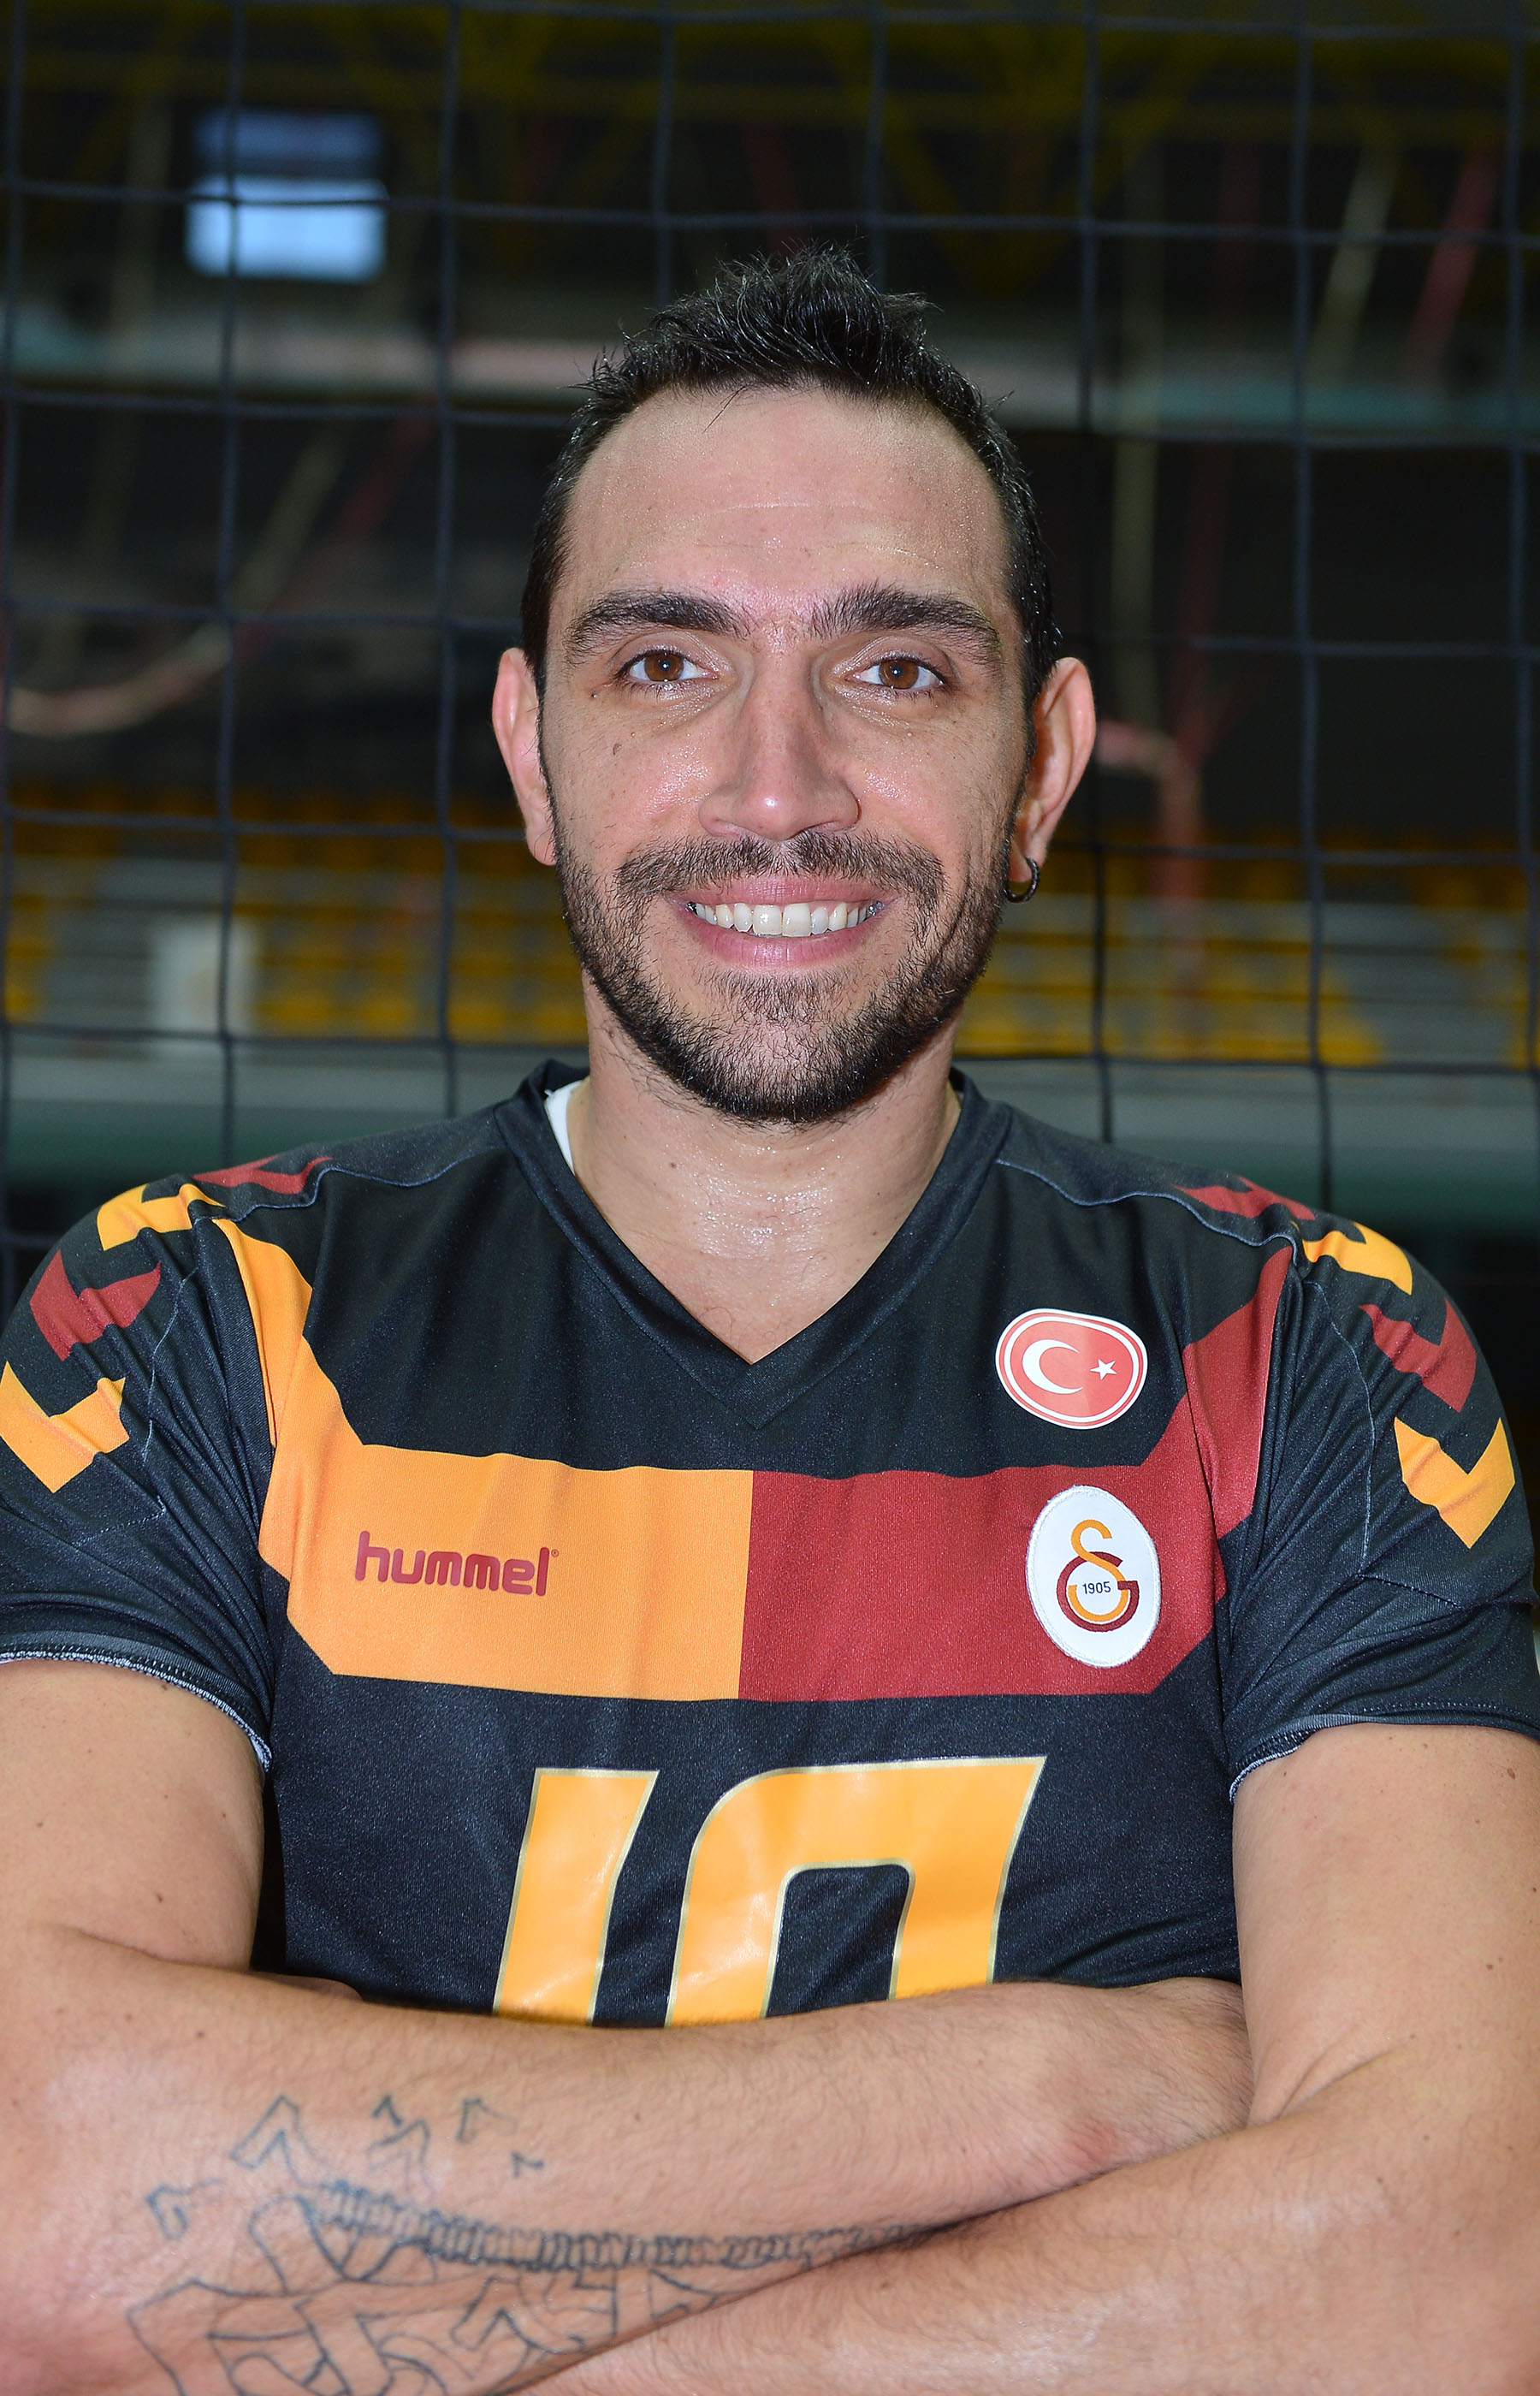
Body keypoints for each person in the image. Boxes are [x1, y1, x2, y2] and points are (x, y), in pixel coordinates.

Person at [1, 248, 1537, 2396]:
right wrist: (1043, 2091)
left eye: (896, 669)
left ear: (1041, 762)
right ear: (533, 752)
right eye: (665, 665)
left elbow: (1458, 2275)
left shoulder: (1310, 1356)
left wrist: (360, 2302)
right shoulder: (195, 1316)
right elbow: (48, 2212)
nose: (777, 785)